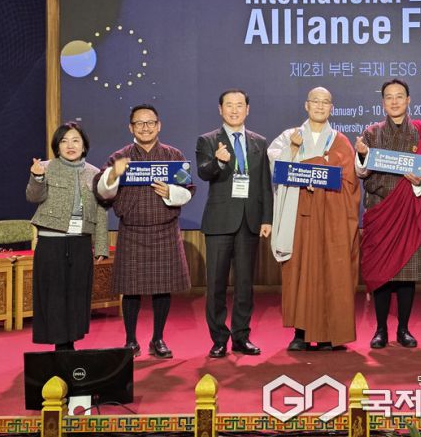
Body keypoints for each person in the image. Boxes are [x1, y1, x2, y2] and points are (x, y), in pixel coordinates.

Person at [95, 104, 193, 359]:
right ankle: (130, 341)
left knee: (163, 287)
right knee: (131, 289)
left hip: (165, 229)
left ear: (159, 126)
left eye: (150, 122)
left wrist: (171, 192)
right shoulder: (120, 157)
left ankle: (158, 339)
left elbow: (188, 190)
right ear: (131, 128)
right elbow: (102, 193)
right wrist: (112, 175)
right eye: (139, 123)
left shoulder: (172, 155)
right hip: (132, 230)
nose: (145, 127)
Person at [268, 87, 360, 351]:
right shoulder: (290, 136)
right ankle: (301, 333)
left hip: (331, 218)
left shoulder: (340, 141)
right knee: (300, 270)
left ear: (332, 107)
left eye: (325, 102)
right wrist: (293, 149)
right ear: (306, 105)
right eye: (315, 101)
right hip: (300, 214)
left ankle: (330, 334)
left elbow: (349, 181)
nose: (320, 106)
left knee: (331, 272)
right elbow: (277, 169)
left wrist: (317, 172)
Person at [356, 79, 421, 349]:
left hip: (410, 212)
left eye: (399, 96)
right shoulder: (371, 133)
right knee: (381, 272)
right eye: (389, 97)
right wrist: (362, 156)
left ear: (408, 100)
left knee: (407, 273)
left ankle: (403, 329)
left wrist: (420, 182)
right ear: (383, 102)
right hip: (381, 210)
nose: (394, 101)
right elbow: (363, 174)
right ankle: (380, 329)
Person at [196, 90, 272, 358]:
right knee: (216, 284)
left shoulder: (259, 142)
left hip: (249, 221)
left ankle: (241, 337)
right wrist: (218, 161)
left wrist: (267, 218)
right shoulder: (207, 140)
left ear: (247, 109)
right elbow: (203, 172)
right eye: (229, 105)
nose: (235, 110)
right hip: (219, 221)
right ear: (220, 109)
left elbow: (264, 184)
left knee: (245, 284)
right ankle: (219, 339)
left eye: (240, 105)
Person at [26, 122, 109, 350]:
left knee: (77, 294)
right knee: (53, 296)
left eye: (75, 140)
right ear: (57, 146)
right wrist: (37, 178)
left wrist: (101, 245)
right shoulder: (44, 167)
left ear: (84, 146)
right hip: (51, 243)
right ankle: (61, 347)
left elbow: (101, 211)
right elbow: (33, 197)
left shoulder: (94, 173)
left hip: (81, 243)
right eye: (64, 141)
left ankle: (70, 343)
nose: (70, 145)